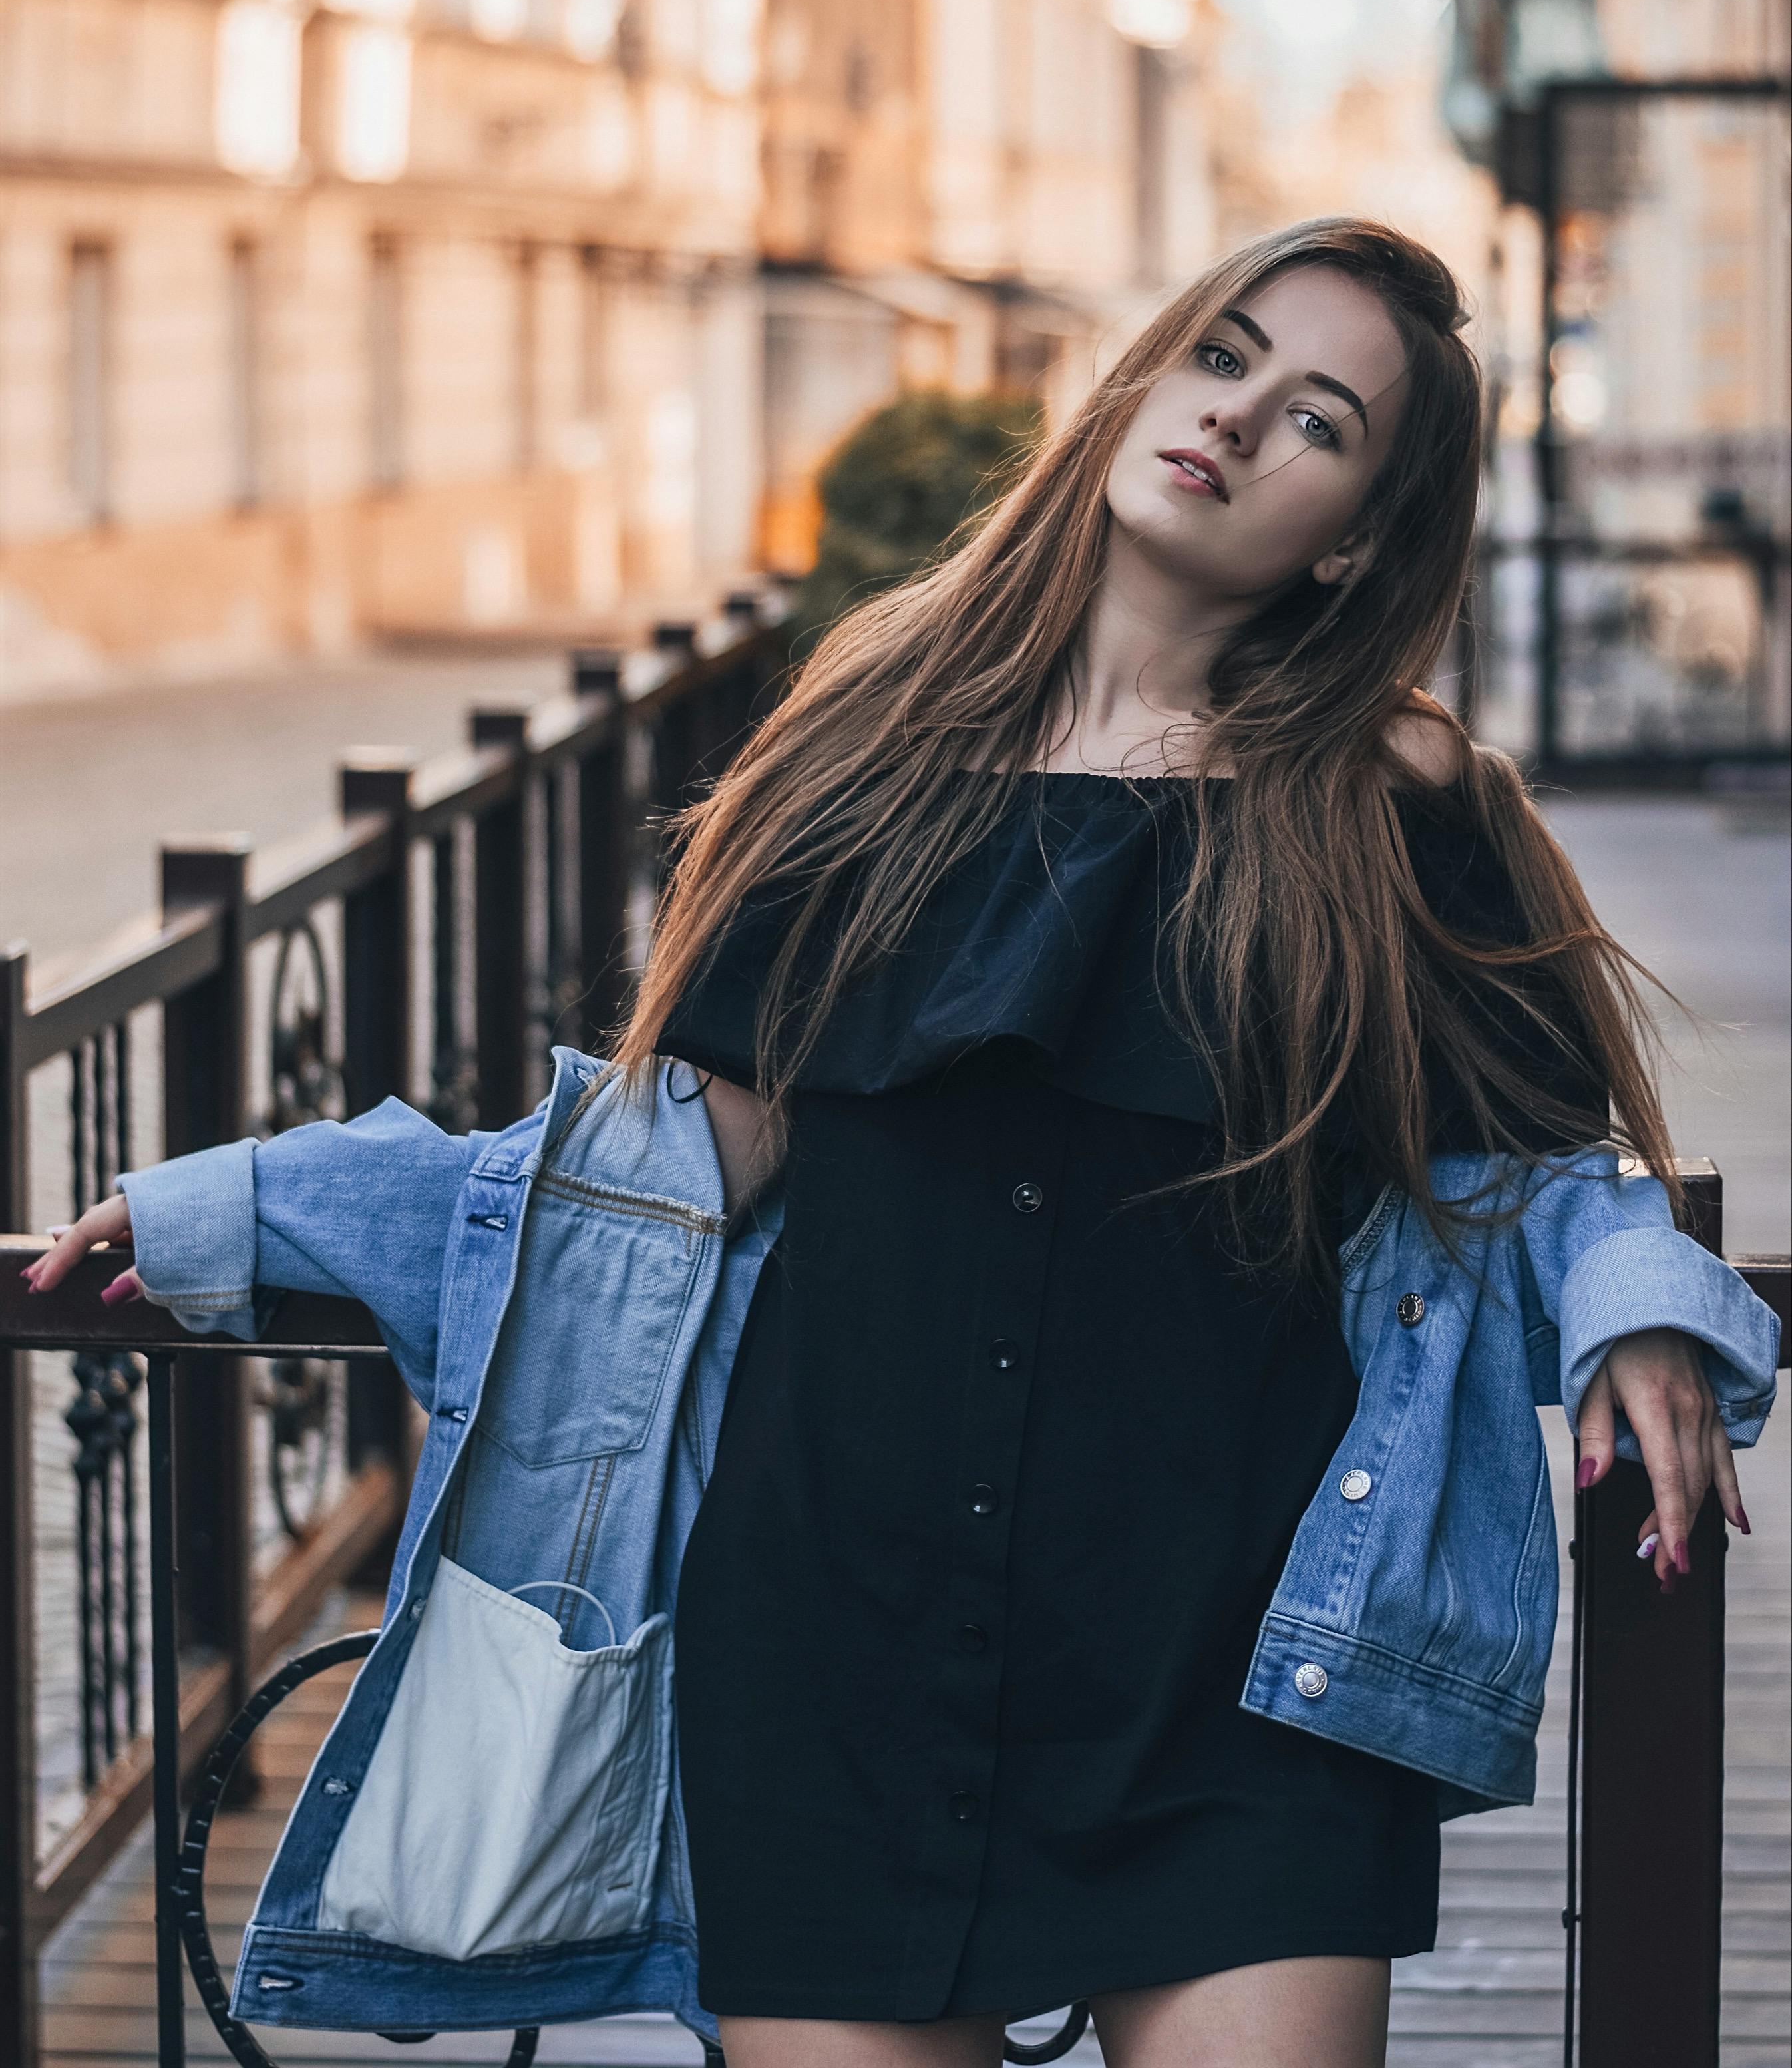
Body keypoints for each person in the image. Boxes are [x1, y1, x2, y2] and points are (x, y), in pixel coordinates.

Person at [29, 219, 1776, 2068]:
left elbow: (1533, 1171)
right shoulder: (868, 745)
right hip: (833, 1654)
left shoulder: (1390, 806)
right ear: (1144, 378)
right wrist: (269, 1201)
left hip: (1234, 1682)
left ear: (1353, 537)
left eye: (1319, 420)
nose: (1240, 419)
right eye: (1224, 357)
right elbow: (666, 1170)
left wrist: (1645, 1301)